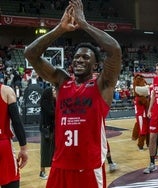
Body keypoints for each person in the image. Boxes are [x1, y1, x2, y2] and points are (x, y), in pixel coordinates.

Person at [24, 0, 122, 187]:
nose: (79, 60)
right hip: (60, 165)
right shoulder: (62, 81)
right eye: (77, 56)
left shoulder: (103, 84)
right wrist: (60, 29)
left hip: (88, 167)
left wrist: (84, 25)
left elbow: (115, 50)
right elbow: (31, 54)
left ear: (95, 66)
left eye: (86, 57)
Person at [0, 83, 28, 188]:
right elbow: (16, 122)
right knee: (11, 183)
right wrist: (23, 149)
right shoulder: (6, 91)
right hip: (3, 144)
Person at [39, 86, 56, 180]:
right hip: (46, 130)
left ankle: (52, 171)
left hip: (51, 129)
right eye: (53, 90)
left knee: (53, 151)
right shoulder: (45, 103)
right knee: (45, 152)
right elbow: (52, 113)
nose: (54, 92)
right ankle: (42, 172)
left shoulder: (52, 102)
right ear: (48, 93)